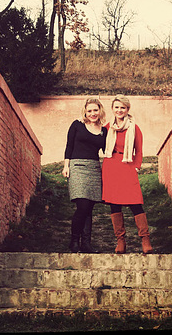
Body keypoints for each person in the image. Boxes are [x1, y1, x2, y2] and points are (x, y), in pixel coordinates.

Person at [102, 95, 153, 254]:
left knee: (135, 203)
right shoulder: (107, 127)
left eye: (122, 107)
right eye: (117, 107)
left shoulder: (134, 128)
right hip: (111, 165)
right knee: (114, 204)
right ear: (112, 109)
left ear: (127, 110)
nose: (119, 110)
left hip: (128, 165)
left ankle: (145, 239)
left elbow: (139, 150)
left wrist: (136, 167)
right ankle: (120, 241)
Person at [62, 98, 108, 253]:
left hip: (94, 168)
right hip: (77, 167)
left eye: (95, 110)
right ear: (85, 112)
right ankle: (74, 240)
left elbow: (108, 151)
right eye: (89, 111)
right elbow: (69, 146)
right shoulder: (77, 125)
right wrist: (66, 166)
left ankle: (86, 244)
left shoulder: (104, 130)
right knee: (82, 205)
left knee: (89, 208)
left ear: (100, 110)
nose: (93, 113)